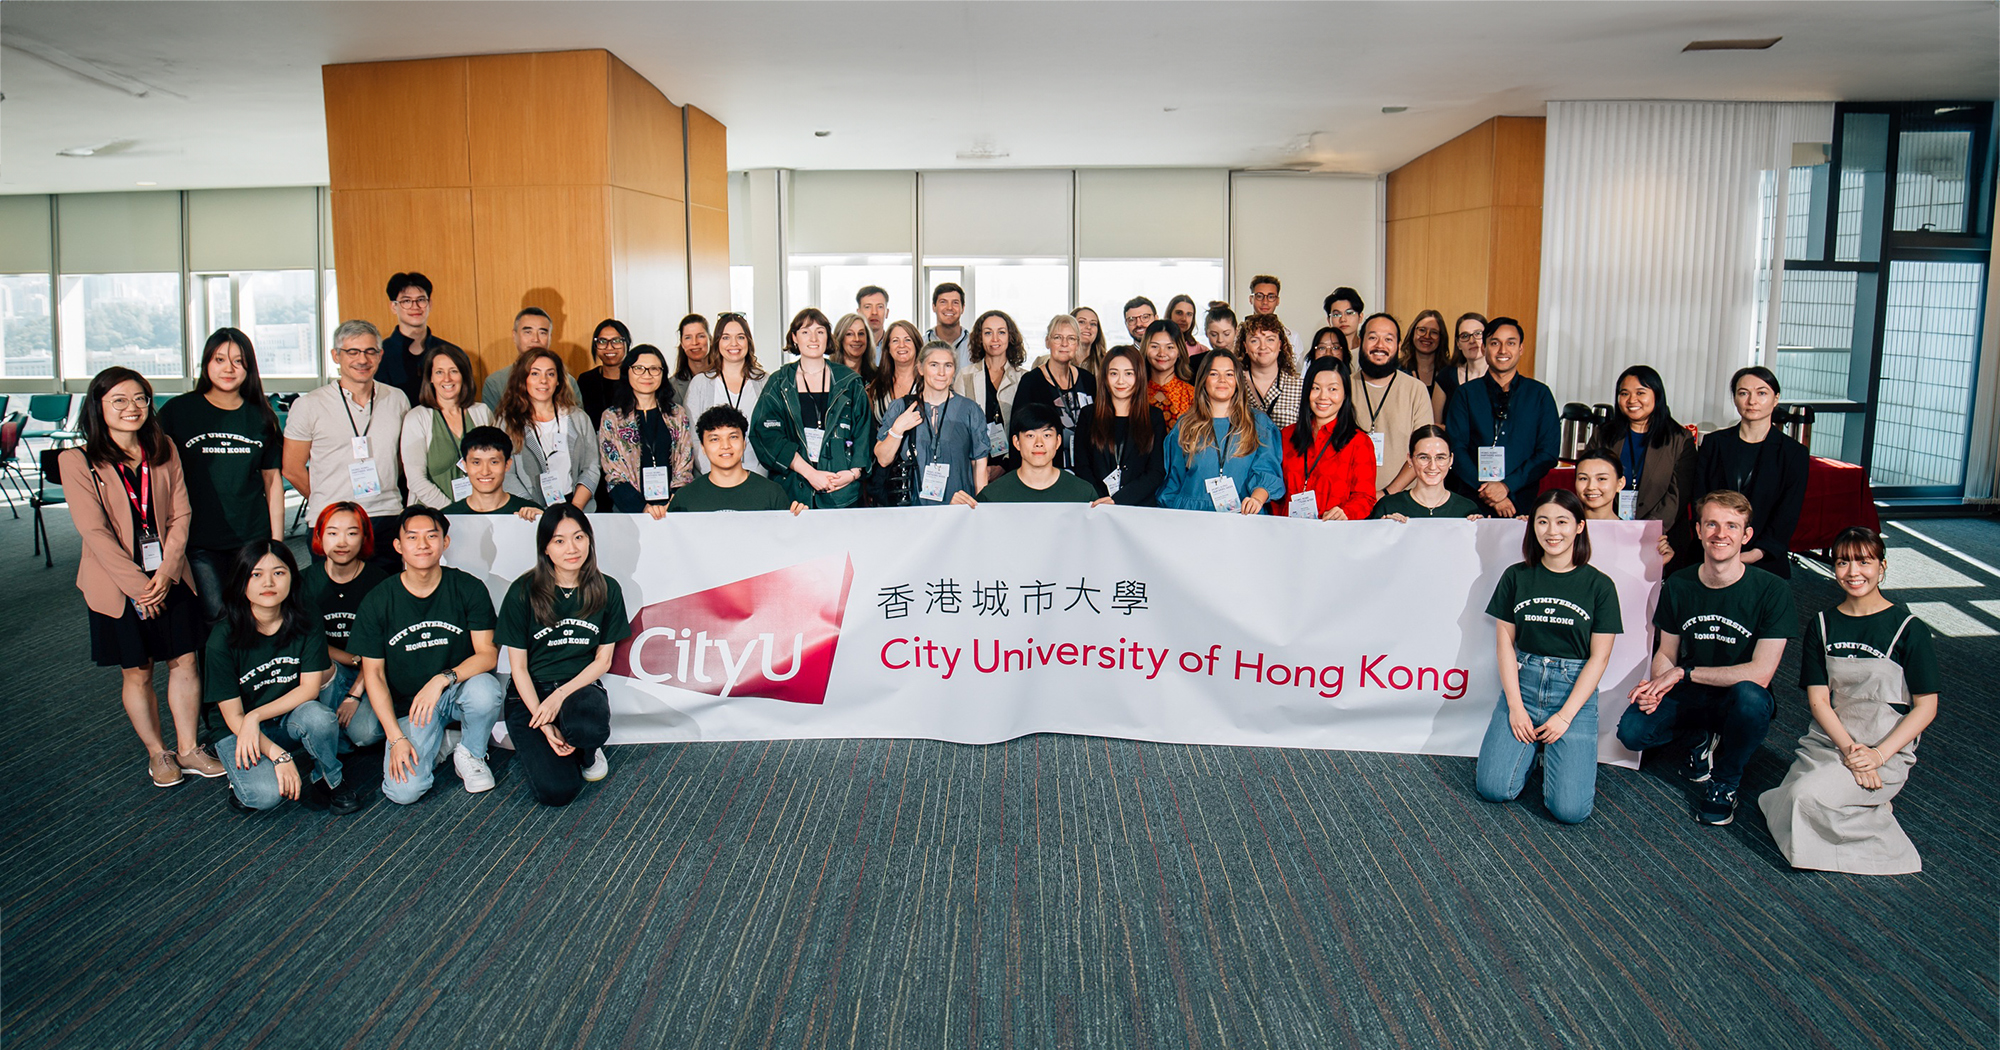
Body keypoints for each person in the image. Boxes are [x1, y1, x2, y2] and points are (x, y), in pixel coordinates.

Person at [62, 367, 223, 788]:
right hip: (116, 583)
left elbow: (181, 514)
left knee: (185, 660)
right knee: (139, 669)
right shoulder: (77, 460)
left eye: (140, 398)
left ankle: (188, 748)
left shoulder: (163, 448)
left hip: (170, 574)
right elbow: (93, 531)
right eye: (119, 400)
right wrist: (139, 588)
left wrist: (167, 572)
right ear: (98, 406)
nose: (131, 407)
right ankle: (158, 752)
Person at [1759, 527, 1938, 875]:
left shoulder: (1909, 628)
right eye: (1843, 562)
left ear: (1882, 566)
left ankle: (1872, 827)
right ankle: (1857, 805)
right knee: (1788, 799)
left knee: (1803, 798)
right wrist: (1852, 752)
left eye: (1864, 562)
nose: (1853, 572)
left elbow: (1926, 707)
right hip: (1831, 740)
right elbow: (1819, 701)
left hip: (1885, 744)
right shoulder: (1822, 624)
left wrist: (1876, 756)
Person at [1619, 490, 1798, 826]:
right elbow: (1667, 652)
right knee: (1632, 732)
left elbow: (1760, 673)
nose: (1720, 534)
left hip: (1738, 696)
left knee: (1752, 699)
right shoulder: (1679, 583)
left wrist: (1681, 674)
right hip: (1691, 690)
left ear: (1746, 535)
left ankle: (1725, 783)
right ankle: (1699, 737)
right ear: (1699, 530)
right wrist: (1658, 685)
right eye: (1712, 524)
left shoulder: (1773, 591)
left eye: (1732, 526)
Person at [1475, 489, 1623, 824]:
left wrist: (1565, 717)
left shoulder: (1600, 586)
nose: (1552, 531)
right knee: (1493, 788)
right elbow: (1504, 644)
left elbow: (1599, 659)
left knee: (1569, 811)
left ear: (1579, 527)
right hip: (1525, 685)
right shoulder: (1516, 576)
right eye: (1543, 522)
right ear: (1533, 526)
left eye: (1562, 522)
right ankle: (1533, 753)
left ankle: (1548, 750)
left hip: (1573, 692)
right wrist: (1515, 707)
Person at [349, 506, 506, 803]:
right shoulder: (378, 600)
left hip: (457, 689)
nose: (422, 544)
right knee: (404, 791)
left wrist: (442, 679)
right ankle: (446, 740)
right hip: (412, 706)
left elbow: (488, 655)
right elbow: (374, 675)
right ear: (398, 546)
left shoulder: (468, 587)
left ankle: (472, 753)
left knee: (486, 690)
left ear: (445, 542)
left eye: (431, 536)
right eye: (412, 537)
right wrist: (396, 737)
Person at [210, 541, 366, 815]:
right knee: (264, 796)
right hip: (237, 728)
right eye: (256, 574)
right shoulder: (222, 638)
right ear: (241, 582)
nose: (268, 583)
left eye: (279, 573)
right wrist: (277, 755)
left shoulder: (306, 617)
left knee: (319, 717)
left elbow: (309, 689)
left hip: (285, 715)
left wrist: (256, 715)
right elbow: (233, 716)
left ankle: (328, 778)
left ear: (292, 577)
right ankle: (241, 780)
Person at [497, 505, 631, 806]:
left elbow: (603, 661)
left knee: (587, 727)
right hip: (530, 694)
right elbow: (518, 668)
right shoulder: (523, 591)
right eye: (559, 541)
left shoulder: (607, 588)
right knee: (557, 792)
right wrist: (543, 721)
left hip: (579, 688)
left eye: (579, 537)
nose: (572, 548)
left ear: (589, 540)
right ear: (545, 547)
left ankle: (586, 751)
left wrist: (559, 696)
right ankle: (561, 746)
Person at [159, 327, 285, 620]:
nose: (229, 368)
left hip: (251, 536)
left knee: (256, 614)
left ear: (249, 368)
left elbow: (272, 482)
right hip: (198, 538)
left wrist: (276, 544)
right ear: (206, 363)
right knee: (218, 616)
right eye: (219, 360)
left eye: (238, 361)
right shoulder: (178, 411)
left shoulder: (261, 415)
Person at [282, 320, 409, 562]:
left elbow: (402, 460)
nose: (362, 359)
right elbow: (291, 468)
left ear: (380, 355)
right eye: (352, 352)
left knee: (386, 586)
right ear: (336, 356)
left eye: (370, 351)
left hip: (386, 515)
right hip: (331, 521)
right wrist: (328, 503)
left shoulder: (397, 399)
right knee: (333, 588)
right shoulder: (309, 405)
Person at [751, 307, 871, 508]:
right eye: (805, 332)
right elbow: (766, 435)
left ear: (828, 337)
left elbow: (864, 432)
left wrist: (852, 474)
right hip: (793, 493)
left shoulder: (850, 382)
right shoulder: (779, 383)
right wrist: (810, 473)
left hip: (842, 493)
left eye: (820, 332)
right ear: (794, 337)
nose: (813, 338)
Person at [1696, 365, 1808, 579]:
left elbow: (1788, 511)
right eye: (1743, 393)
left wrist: (1756, 553)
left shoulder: (1793, 453)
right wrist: (1717, 545)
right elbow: (1699, 498)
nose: (1752, 401)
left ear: (1776, 398)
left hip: (1765, 559)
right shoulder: (1714, 443)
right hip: (1713, 551)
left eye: (1761, 393)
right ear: (1735, 399)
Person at [1444, 316, 1559, 519]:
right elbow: (1456, 449)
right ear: (1484, 348)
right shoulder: (1465, 394)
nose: (1503, 350)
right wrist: (1488, 491)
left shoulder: (1539, 394)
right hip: (1472, 504)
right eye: (1495, 343)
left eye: (1511, 343)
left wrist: (1506, 486)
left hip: (1522, 503)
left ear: (1521, 349)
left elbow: (1547, 453)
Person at [297, 502, 391, 748]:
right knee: (318, 664)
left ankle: (332, 733)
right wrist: (352, 659)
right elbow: (304, 641)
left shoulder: (380, 582)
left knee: (365, 734)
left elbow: (383, 649)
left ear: (364, 537)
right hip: (327, 670)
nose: (342, 542)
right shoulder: (303, 582)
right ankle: (326, 728)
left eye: (352, 533)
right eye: (332, 532)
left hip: (372, 671)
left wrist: (354, 695)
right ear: (319, 536)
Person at [1589, 364, 1697, 565]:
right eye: (1624, 393)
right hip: (1608, 532)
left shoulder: (1680, 439)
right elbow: (1588, 482)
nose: (1632, 400)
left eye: (1640, 393)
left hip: (1662, 538)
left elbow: (1677, 496)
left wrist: (1645, 532)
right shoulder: (1603, 435)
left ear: (1657, 395)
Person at [1159, 351, 1284, 514]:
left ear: (1238, 380)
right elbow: (1174, 480)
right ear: (1204, 379)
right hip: (1192, 514)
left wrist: (1257, 499)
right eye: (1214, 374)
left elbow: (1267, 470)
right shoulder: (1186, 424)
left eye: (1229, 374)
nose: (1222, 380)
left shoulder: (1258, 423)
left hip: (1242, 513)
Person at [874, 341, 988, 507]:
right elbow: (883, 459)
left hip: (958, 506)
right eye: (934, 365)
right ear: (920, 369)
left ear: (954, 370)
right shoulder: (901, 407)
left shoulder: (970, 410)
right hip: (911, 509)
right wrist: (897, 429)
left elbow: (980, 466)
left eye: (948, 366)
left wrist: (979, 508)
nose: (941, 372)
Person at [598, 343, 695, 518]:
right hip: (630, 512)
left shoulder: (676, 414)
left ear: (663, 373)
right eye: (639, 368)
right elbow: (614, 473)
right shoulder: (612, 418)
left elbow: (685, 462)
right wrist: (643, 508)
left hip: (673, 509)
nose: (647, 375)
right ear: (627, 372)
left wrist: (673, 503)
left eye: (654, 369)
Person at [1275, 357, 1376, 520]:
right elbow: (1275, 493)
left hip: (1333, 530)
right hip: (1288, 530)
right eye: (1316, 388)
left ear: (1345, 394)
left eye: (1332, 389)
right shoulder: (1286, 436)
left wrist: (1346, 512)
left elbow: (1365, 497)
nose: (1323, 396)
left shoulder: (1359, 442)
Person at [498, 348, 599, 510]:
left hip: (576, 507)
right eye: (535, 374)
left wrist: (575, 508)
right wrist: (531, 508)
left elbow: (592, 466)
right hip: (529, 511)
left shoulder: (578, 418)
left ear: (558, 380)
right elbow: (506, 474)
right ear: (523, 379)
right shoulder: (507, 422)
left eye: (550, 374)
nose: (543, 380)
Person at [397, 342, 493, 509]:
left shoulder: (482, 412)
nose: (447, 378)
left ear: (463, 375)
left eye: (453, 371)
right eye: (439, 372)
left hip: (479, 512)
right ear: (430, 378)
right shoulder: (416, 418)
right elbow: (416, 480)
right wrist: (452, 511)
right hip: (432, 515)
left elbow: (496, 465)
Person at [1349, 313, 1433, 498]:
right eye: (1373, 338)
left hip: (1404, 499)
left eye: (1388, 339)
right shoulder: (1343, 387)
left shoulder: (1415, 390)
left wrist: (1388, 493)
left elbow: (1424, 451)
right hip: (1350, 499)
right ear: (1360, 342)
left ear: (1398, 345)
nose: (1380, 346)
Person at [1074, 345, 1167, 507]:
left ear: (1139, 376)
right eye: (1114, 373)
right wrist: (1102, 499)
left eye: (1129, 373)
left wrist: (1118, 500)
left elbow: (1156, 471)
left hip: (1140, 507)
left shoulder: (1154, 417)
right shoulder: (1088, 415)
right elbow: (1082, 466)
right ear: (1104, 377)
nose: (1121, 381)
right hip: (1097, 505)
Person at [670, 406, 808, 514]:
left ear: (744, 442)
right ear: (703, 447)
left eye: (733, 437)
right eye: (715, 439)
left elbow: (787, 539)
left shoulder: (772, 493)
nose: (725, 446)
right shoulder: (684, 498)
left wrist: (800, 521)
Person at [684, 312, 769, 476]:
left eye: (740, 337)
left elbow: (772, 433)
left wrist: (759, 476)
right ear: (717, 342)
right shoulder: (700, 383)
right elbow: (693, 437)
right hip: (713, 478)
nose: (734, 343)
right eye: (726, 337)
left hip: (758, 476)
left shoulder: (764, 382)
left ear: (748, 341)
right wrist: (713, 475)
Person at [1013, 314, 1096, 472]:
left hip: (1086, 470)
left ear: (1077, 344)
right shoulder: (1031, 382)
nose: (1064, 343)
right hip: (1046, 471)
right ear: (1047, 341)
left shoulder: (1088, 380)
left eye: (1071, 338)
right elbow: (1019, 430)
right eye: (1058, 337)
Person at [978, 402, 1099, 503]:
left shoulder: (1083, 493)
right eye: (1030, 435)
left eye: (1047, 435)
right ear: (1016, 442)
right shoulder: (992, 496)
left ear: (1058, 441)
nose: (1039, 443)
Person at [956, 310, 1027, 479]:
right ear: (979, 338)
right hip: (972, 465)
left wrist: (1005, 465)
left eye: (1001, 332)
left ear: (1010, 337)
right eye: (988, 333)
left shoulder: (1023, 378)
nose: (995, 339)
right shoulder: (965, 376)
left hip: (1014, 465)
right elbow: (958, 428)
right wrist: (978, 467)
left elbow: (1026, 428)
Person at [377, 272, 463, 405]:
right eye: (406, 301)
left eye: (421, 300)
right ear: (394, 307)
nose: (415, 307)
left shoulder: (452, 352)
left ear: (430, 304)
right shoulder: (379, 355)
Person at [1369, 425, 1483, 520]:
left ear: (1451, 460)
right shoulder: (1388, 506)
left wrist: (1483, 529)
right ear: (1410, 459)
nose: (1432, 466)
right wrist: (1383, 529)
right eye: (1424, 457)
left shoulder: (1467, 509)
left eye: (1440, 457)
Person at [481, 307, 576, 410]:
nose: (535, 339)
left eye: (542, 333)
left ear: (550, 338)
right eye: (528, 332)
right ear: (514, 335)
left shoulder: (567, 381)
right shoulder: (495, 382)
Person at [442, 425, 546, 518]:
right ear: (465, 465)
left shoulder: (531, 513)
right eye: (476, 463)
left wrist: (542, 521)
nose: (485, 472)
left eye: (494, 462)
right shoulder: (448, 517)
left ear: (507, 465)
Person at [1238, 313, 1302, 428]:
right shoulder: (1234, 384)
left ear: (1280, 345)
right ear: (1245, 346)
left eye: (1270, 340)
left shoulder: (1299, 387)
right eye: (1254, 341)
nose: (1263, 347)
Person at [575, 318, 631, 427]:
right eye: (602, 341)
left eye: (616, 341)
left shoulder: (636, 378)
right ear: (595, 346)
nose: (609, 347)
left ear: (626, 343)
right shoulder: (586, 380)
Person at [1142, 319, 1196, 429]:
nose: (1162, 353)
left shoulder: (1192, 395)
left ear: (1179, 351)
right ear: (1145, 349)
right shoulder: (1136, 393)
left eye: (1170, 347)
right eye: (1154, 346)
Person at [866, 319, 924, 421]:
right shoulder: (876, 387)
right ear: (888, 348)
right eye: (895, 341)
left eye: (907, 340)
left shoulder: (928, 383)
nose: (902, 345)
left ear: (916, 345)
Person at [1398, 309, 1450, 420]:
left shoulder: (1449, 374)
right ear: (1413, 333)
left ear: (1441, 338)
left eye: (1434, 332)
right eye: (1422, 330)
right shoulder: (1397, 370)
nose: (1427, 336)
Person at [1246, 275, 1301, 370]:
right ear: (1251, 299)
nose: (1265, 302)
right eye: (1259, 296)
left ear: (1277, 301)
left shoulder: (1292, 337)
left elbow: (1296, 370)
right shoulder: (1239, 334)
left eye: (1271, 297)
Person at [1438, 312, 1488, 412]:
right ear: (1458, 344)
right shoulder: (1446, 376)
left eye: (1478, 333)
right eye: (1465, 336)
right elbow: (1435, 421)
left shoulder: (1500, 376)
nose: (1472, 341)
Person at [924, 283, 969, 370]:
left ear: (963, 308)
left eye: (955, 303)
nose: (949, 307)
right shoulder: (921, 344)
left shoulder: (975, 345)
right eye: (943, 302)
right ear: (934, 307)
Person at [1571, 448, 1625, 521]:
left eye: (1601, 479)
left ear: (1620, 484)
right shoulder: (1565, 527)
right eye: (1583, 478)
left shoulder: (1630, 528)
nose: (1591, 487)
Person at [671, 313, 712, 404]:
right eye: (688, 337)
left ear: (710, 339)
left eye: (700, 336)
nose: (694, 342)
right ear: (682, 343)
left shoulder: (724, 377)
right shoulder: (672, 386)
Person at [832, 312, 877, 388]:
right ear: (840, 339)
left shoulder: (878, 377)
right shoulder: (828, 376)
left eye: (861, 333)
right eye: (849, 334)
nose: (857, 339)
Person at [1071, 305, 1109, 376]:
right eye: (1082, 322)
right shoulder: (1056, 362)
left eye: (1093, 324)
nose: (1088, 327)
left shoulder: (1107, 363)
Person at [1323, 286, 1365, 350]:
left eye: (1349, 313)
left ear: (1360, 317)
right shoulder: (1325, 352)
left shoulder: (1368, 349)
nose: (1343, 319)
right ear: (1329, 320)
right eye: (1336, 315)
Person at [856, 285, 890, 353]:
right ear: (859, 313)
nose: (874, 312)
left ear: (887, 313)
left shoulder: (895, 347)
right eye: (867, 307)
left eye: (880, 307)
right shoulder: (851, 347)